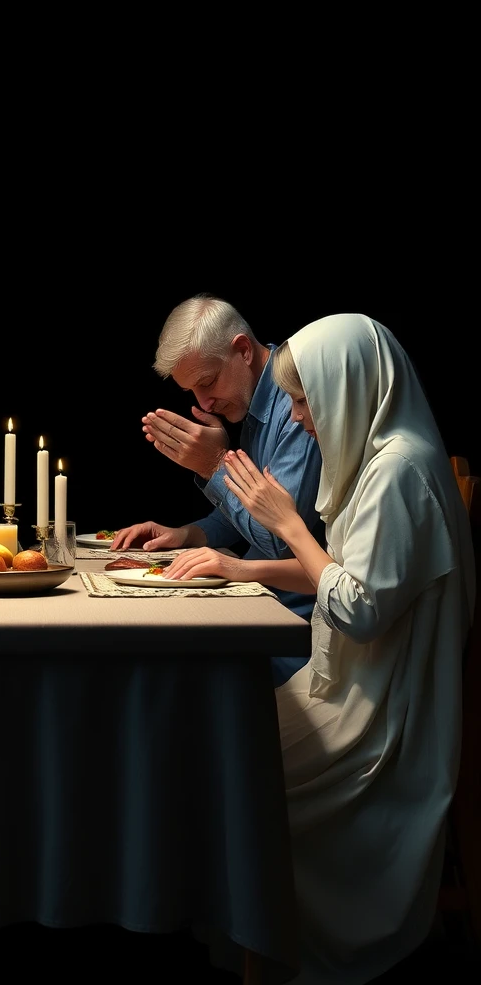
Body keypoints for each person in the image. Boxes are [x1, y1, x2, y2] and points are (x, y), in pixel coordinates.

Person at [161, 313, 475, 984]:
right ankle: (238, 934)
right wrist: (243, 563)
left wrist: (285, 526)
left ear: (348, 387)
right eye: (296, 402)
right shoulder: (375, 461)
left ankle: (262, 944)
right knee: (207, 734)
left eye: (307, 401)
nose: (299, 418)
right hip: (353, 682)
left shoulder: (400, 474)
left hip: (378, 715)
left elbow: (357, 611)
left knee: (225, 758)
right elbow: (344, 574)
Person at [110, 293, 326, 686]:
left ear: (242, 349)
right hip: (260, 605)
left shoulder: (299, 406)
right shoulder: (252, 398)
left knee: (165, 664)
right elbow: (247, 513)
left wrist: (213, 465)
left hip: (291, 623)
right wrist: (188, 534)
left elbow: (282, 539)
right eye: (192, 391)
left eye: (207, 382)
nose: (203, 401)